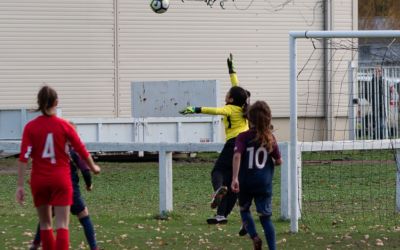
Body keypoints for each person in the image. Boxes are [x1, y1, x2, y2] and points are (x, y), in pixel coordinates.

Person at [16, 86, 101, 250]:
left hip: (39, 180)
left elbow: (23, 157)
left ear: (39, 103)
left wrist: (20, 185)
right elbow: (82, 150)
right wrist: (93, 167)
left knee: (45, 223)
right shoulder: (64, 125)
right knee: (62, 223)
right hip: (61, 179)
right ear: (56, 102)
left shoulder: (30, 127)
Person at [180, 54, 250, 225]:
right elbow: (237, 86)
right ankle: (221, 215)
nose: (226, 95)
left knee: (217, 172)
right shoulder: (244, 106)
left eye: (227, 94)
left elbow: (215, 111)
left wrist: (195, 109)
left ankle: (218, 189)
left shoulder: (230, 108)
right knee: (234, 181)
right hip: (247, 144)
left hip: (234, 143)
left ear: (231, 99)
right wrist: (231, 70)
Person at [29, 131, 99, 250]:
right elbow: (86, 171)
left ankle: (35, 245)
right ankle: (94, 247)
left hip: (54, 189)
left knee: (46, 218)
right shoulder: (74, 152)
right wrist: (89, 185)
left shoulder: (55, 151)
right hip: (70, 190)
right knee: (83, 215)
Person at [231, 101, 282, 250]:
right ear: (268, 119)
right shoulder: (269, 138)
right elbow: (278, 160)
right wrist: (277, 162)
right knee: (266, 218)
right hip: (263, 183)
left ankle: (254, 236)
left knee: (244, 210)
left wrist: (234, 178)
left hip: (245, 182)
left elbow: (237, 156)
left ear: (249, 118)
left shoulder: (242, 137)